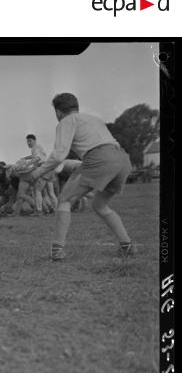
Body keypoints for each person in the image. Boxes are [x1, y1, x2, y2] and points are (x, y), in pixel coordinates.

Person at [29, 93, 133, 261]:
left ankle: (57, 250)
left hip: (99, 158)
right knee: (100, 204)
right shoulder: (93, 119)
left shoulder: (66, 121)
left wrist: (38, 172)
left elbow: (59, 155)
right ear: (76, 107)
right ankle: (127, 246)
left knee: (64, 200)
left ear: (58, 111)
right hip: (122, 158)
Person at [25, 134, 56, 214]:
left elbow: (36, 158)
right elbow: (34, 158)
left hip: (44, 168)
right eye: (27, 141)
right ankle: (56, 210)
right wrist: (25, 159)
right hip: (50, 169)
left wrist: (26, 164)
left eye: (30, 141)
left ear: (34, 141)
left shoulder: (36, 147)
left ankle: (39, 211)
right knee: (51, 192)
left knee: (37, 190)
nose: (28, 143)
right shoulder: (37, 148)